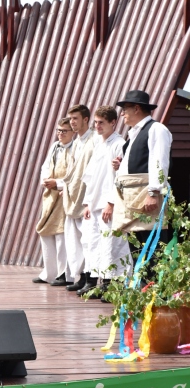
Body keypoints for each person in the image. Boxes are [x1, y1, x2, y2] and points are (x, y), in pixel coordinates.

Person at [112, 90, 173, 276]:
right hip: (131, 200)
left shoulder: (156, 129)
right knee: (137, 249)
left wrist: (153, 192)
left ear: (136, 108)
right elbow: (142, 163)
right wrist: (123, 166)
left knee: (151, 250)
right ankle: (143, 294)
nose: (122, 113)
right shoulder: (133, 134)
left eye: (125, 109)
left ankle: (154, 298)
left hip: (145, 198)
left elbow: (159, 162)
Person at [78, 106, 131, 297]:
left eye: (101, 122)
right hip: (94, 203)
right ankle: (93, 282)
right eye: (96, 122)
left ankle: (111, 286)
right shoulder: (99, 144)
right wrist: (87, 203)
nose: (97, 126)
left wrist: (111, 202)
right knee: (92, 243)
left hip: (109, 204)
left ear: (112, 122)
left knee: (111, 244)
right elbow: (91, 177)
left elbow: (120, 177)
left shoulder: (119, 143)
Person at [43, 105, 94, 293]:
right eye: (70, 119)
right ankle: (78, 276)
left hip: (87, 198)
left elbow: (90, 173)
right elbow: (72, 172)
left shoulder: (92, 140)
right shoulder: (78, 142)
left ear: (86, 120)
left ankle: (91, 278)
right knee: (75, 242)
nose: (72, 122)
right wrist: (64, 186)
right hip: (71, 196)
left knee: (88, 241)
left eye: (75, 118)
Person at [34, 117, 74, 286]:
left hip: (64, 194)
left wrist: (58, 183)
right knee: (45, 231)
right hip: (50, 195)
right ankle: (48, 272)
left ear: (72, 132)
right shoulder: (54, 147)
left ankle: (64, 273)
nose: (60, 134)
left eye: (64, 131)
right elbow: (45, 166)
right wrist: (45, 179)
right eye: (58, 130)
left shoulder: (75, 148)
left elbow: (75, 174)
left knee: (61, 235)